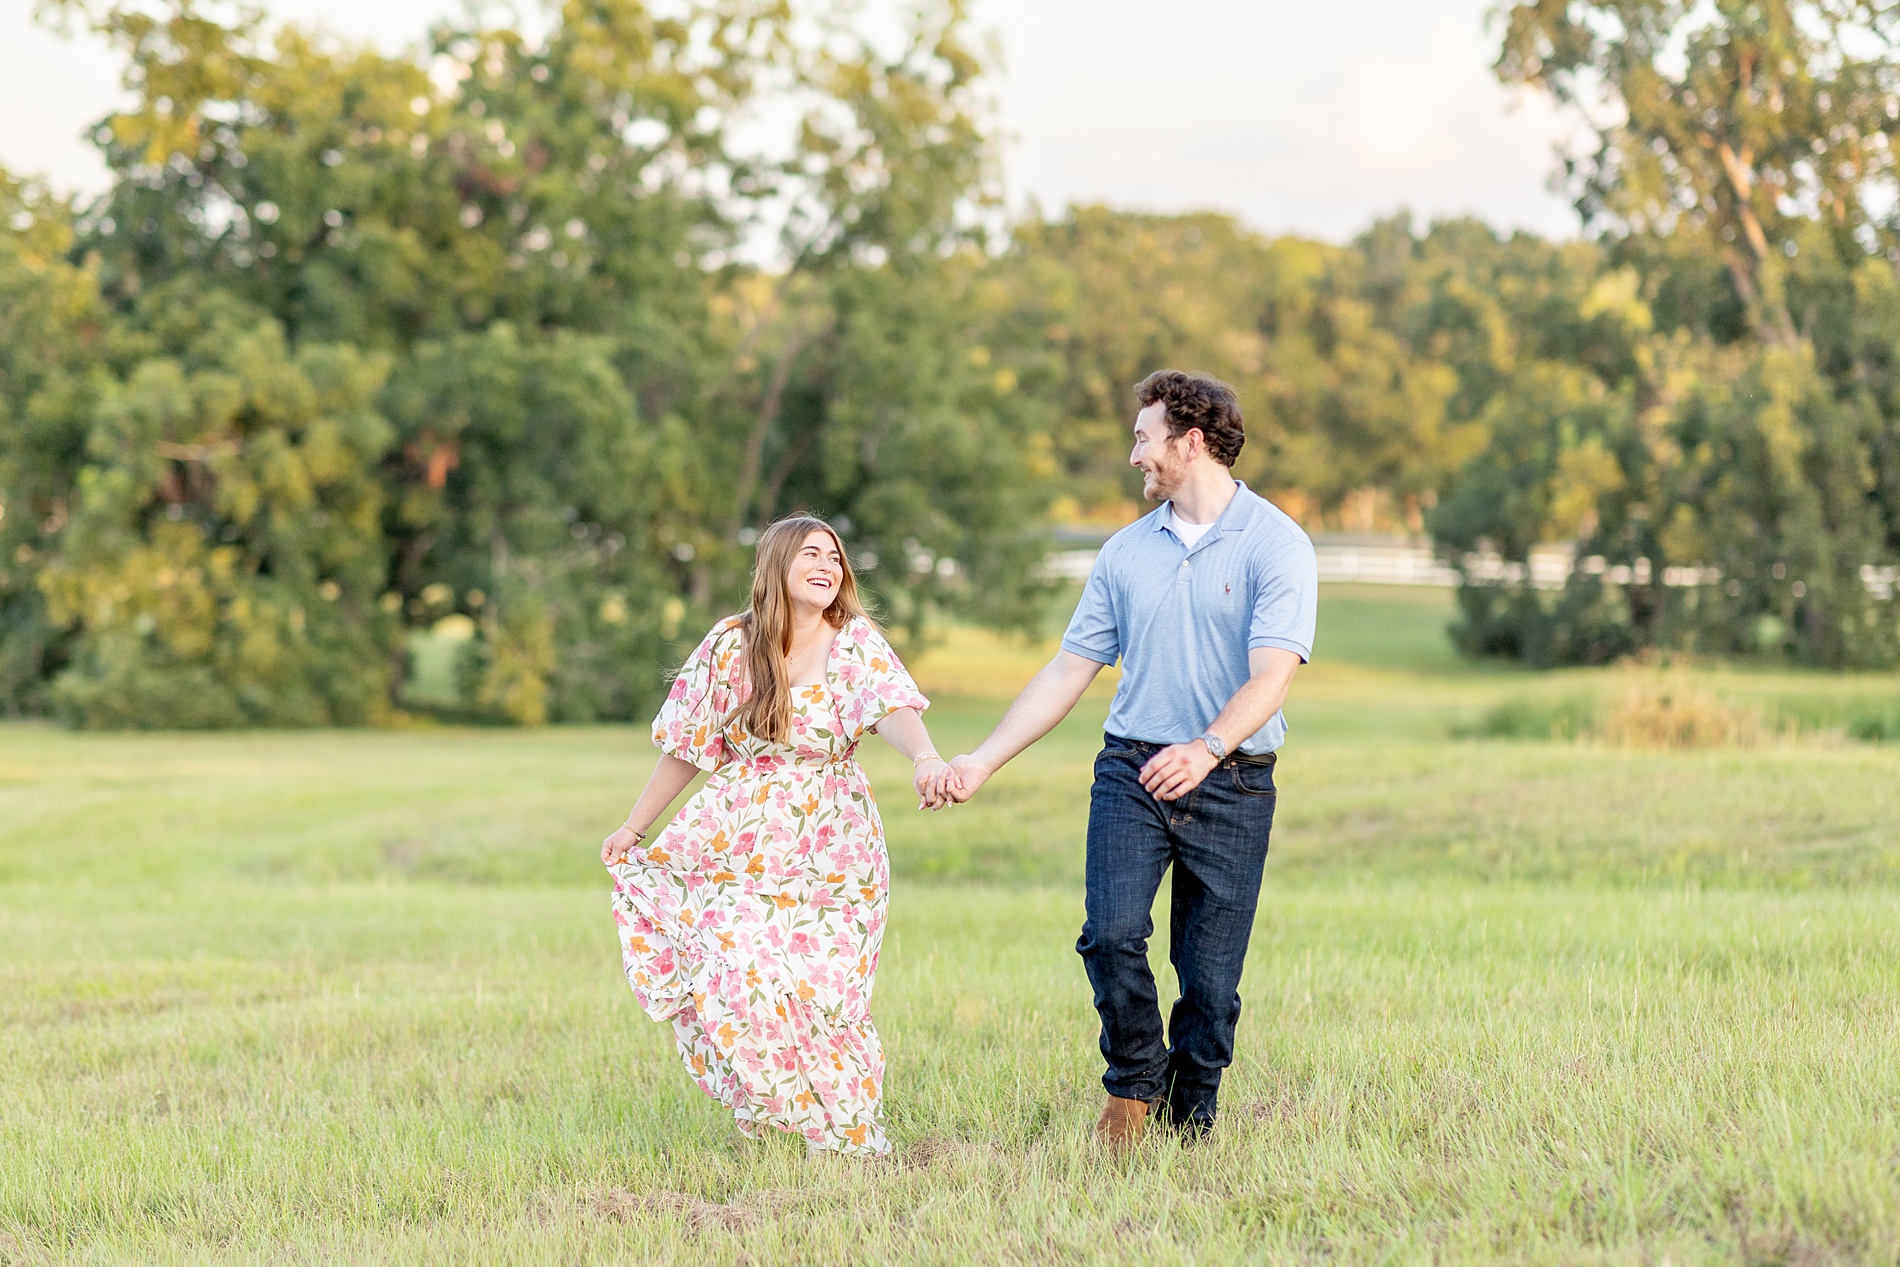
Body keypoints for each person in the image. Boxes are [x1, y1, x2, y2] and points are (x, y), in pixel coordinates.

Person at [926, 370, 1317, 1150]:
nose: (1134, 454)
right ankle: (1134, 1085)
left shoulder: (1276, 541)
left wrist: (1207, 750)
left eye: (1144, 438)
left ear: (1190, 441)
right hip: (1133, 770)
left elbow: (1272, 674)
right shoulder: (1124, 552)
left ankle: (1189, 1121)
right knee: (1109, 934)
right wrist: (982, 760)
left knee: (1209, 983)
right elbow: (1066, 672)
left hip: (1234, 778)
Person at [601, 515, 959, 1158]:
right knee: (742, 977)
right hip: (736, 840)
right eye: (811, 554)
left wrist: (925, 757)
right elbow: (688, 746)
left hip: (834, 847)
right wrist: (635, 827)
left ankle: (843, 1131)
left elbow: (891, 708)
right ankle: (770, 1113)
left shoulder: (854, 642)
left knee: (822, 994)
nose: (828, 565)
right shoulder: (729, 645)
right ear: (776, 565)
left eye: (835, 556)